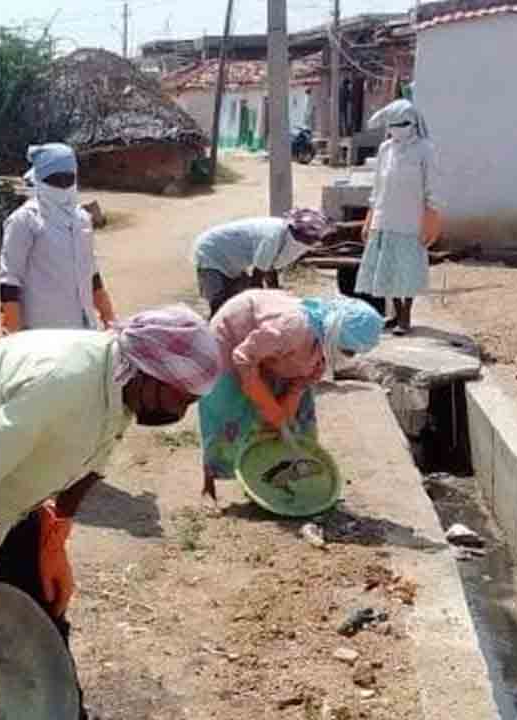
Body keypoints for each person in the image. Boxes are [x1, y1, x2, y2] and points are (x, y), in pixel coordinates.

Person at [0, 306, 221, 719]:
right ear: (149, 370)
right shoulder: (63, 382)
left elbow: (96, 460)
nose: (180, 413)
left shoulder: (121, 384)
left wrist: (56, 533)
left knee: (44, 609)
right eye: (180, 398)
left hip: (12, 487)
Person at [197, 291, 383, 501]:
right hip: (234, 342)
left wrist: (286, 408)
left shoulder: (324, 344)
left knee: (293, 423)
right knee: (230, 413)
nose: (350, 356)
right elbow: (243, 358)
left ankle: (267, 479)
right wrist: (267, 404)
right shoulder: (292, 329)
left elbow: (301, 382)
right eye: (348, 350)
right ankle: (209, 487)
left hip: (273, 354)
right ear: (335, 331)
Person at [0, 143, 117, 334]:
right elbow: (10, 281)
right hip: (42, 335)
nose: (63, 185)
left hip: (84, 330)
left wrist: (109, 317)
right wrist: (12, 335)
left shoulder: (82, 219)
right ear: (40, 179)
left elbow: (92, 273)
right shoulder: (25, 221)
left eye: (68, 178)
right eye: (54, 180)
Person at [356, 99, 443, 335]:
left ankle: (406, 316)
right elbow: (377, 187)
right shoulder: (386, 149)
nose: (397, 129)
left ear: (413, 123)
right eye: (392, 125)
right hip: (385, 217)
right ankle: (396, 314)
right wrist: (369, 218)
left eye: (401, 124)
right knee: (388, 269)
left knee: (408, 269)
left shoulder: (425, 149)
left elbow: (432, 188)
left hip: (411, 220)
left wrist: (432, 219)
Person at [190, 208, 335, 318]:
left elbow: (270, 270)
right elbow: (257, 280)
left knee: (234, 300)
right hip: (212, 251)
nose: (313, 243)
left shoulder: (284, 237)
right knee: (219, 302)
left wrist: (279, 298)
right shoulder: (274, 236)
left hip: (232, 259)